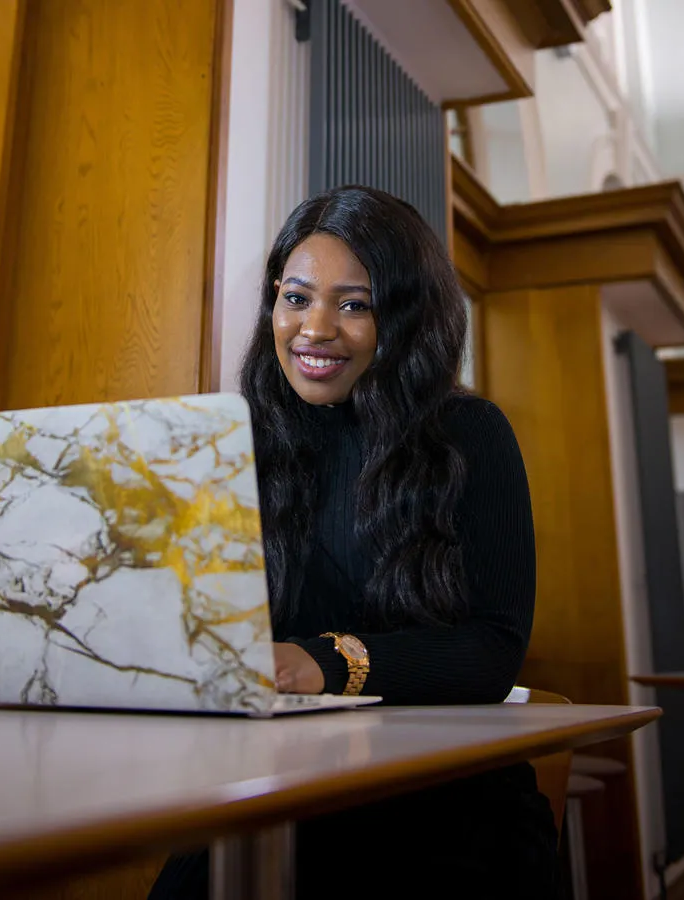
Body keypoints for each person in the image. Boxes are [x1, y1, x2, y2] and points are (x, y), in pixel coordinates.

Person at [149, 186, 559, 898]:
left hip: (441, 807)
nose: (314, 328)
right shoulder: (238, 443)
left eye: (353, 304)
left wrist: (322, 662)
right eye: (297, 297)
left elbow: (492, 651)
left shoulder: (470, 436)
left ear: (402, 318)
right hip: (275, 785)